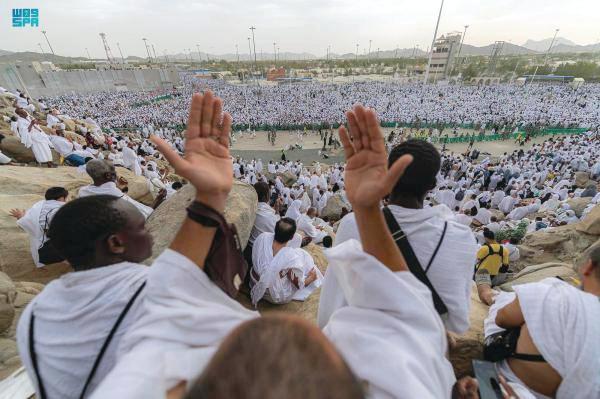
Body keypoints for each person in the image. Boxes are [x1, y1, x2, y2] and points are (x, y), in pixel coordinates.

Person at [92, 97, 461, 399]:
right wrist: (367, 211)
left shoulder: (134, 383)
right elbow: (408, 313)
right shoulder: (410, 383)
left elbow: (160, 303)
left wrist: (208, 198)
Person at [16, 194, 152, 399]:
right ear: (115, 243)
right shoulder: (151, 287)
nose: (150, 233)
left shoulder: (35, 311)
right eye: (143, 227)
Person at [334, 139, 478, 334]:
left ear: (387, 175)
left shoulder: (353, 223)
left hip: (363, 346)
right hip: (424, 350)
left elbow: (333, 304)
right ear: (433, 185)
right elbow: (457, 322)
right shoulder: (462, 238)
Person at [483, 247, 600, 398]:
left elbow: (501, 320)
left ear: (588, 267)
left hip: (506, 386)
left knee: (500, 302)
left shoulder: (554, 291)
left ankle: (487, 291)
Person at [250, 218, 322, 305]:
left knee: (295, 257)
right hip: (272, 295)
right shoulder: (290, 257)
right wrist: (311, 278)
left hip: (253, 281)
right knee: (302, 255)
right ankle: (312, 272)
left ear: (275, 229)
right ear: (292, 237)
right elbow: (299, 285)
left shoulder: (263, 237)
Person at [9, 187, 68, 268]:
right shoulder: (59, 209)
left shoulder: (38, 206)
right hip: (50, 253)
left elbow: (25, 224)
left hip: (39, 254)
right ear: (62, 198)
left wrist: (21, 217)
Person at [78, 159, 155, 218]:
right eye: (114, 171)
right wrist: (158, 198)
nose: (116, 173)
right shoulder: (116, 196)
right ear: (108, 175)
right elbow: (146, 214)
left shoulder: (82, 191)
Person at [244, 182, 281, 267]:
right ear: (266, 196)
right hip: (262, 253)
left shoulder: (248, 209)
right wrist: (277, 211)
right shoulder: (269, 215)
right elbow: (278, 231)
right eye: (269, 193)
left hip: (248, 248)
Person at [475, 228, 510, 305]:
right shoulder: (504, 250)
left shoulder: (484, 248)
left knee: (479, 291)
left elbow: (476, 260)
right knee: (487, 289)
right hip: (493, 273)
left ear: (486, 238)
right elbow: (505, 264)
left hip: (481, 271)